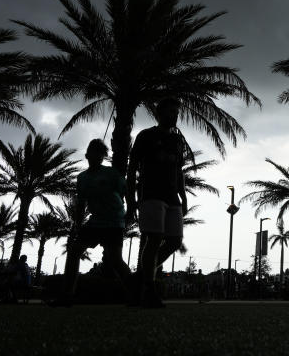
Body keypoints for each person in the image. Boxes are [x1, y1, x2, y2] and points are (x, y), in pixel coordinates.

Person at [52, 139, 132, 306]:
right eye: (93, 152)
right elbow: (81, 204)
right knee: (74, 252)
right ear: (87, 154)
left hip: (114, 222)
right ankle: (67, 296)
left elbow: (126, 191)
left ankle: (136, 293)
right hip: (94, 223)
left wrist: (130, 210)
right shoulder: (82, 178)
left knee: (116, 259)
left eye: (100, 153)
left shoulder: (112, 174)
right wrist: (77, 224)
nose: (96, 156)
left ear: (103, 157)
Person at [127, 98, 189, 309]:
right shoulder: (146, 136)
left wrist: (184, 196)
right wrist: (130, 199)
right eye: (170, 112)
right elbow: (132, 166)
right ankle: (149, 289)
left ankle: (142, 277)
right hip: (151, 193)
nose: (174, 116)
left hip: (172, 197)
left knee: (174, 240)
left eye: (176, 112)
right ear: (159, 113)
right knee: (153, 239)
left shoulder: (178, 141)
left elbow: (179, 171)